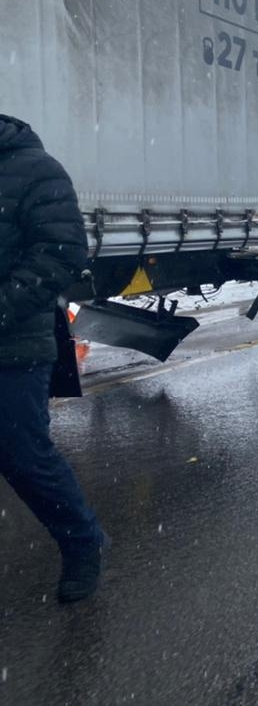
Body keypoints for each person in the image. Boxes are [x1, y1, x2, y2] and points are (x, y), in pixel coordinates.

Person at [0, 115, 108, 603]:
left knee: (23, 457)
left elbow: (62, 253)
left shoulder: (36, 170)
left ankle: (83, 543)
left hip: (15, 345)